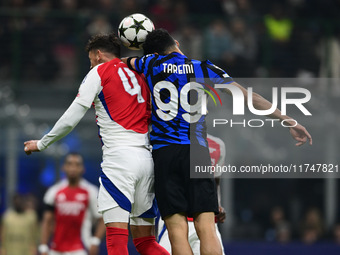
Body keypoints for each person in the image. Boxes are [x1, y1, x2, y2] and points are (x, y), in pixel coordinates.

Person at [124, 28, 312, 255]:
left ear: (152, 53)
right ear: (175, 43)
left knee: (176, 230)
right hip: (197, 152)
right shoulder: (203, 67)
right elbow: (248, 97)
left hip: (164, 153)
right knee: (207, 227)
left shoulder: (148, 64)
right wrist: (287, 120)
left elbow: (119, 63)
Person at [24, 33, 169, 255]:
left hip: (120, 161)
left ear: (98, 55)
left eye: (90, 59)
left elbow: (74, 114)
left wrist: (43, 143)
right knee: (145, 242)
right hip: (146, 160)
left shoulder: (99, 71)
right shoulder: (139, 74)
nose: (90, 64)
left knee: (116, 241)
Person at [157, 134, 227, 254]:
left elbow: (215, 181)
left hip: (198, 219)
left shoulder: (217, 145)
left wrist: (218, 205)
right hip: (181, 217)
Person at [39, 153, 105, 255]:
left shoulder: (91, 191)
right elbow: (47, 221)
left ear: (82, 168)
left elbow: (102, 219)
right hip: (56, 249)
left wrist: (95, 241)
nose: (73, 168)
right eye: (69, 164)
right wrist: (43, 246)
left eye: (77, 165)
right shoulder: (54, 192)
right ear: (63, 167)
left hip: (81, 248)